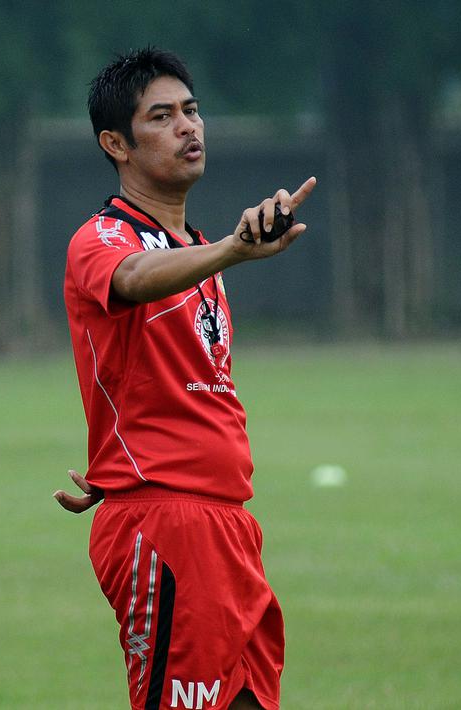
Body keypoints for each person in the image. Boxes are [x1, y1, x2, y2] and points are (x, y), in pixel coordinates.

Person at [53, 48, 316, 710]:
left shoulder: (195, 251)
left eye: (192, 111)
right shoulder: (102, 238)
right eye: (162, 116)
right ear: (114, 143)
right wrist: (231, 248)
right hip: (166, 525)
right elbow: (132, 281)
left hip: (225, 523)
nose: (187, 128)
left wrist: (117, 465)